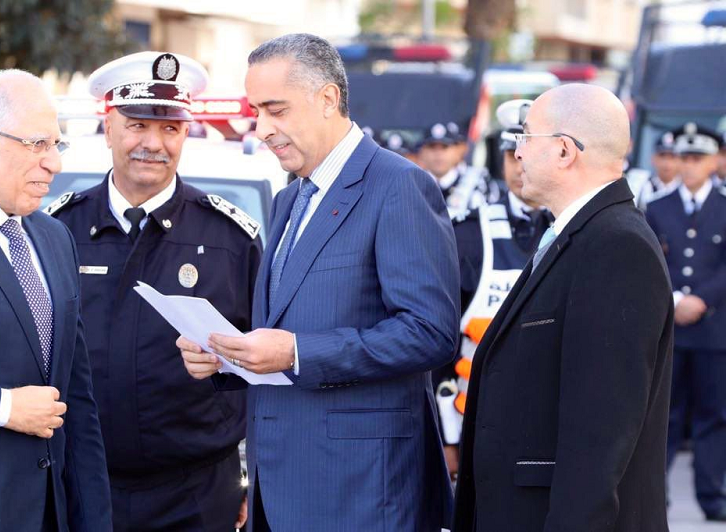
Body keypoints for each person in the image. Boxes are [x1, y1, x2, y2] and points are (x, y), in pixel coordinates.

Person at [178, 33, 460, 531]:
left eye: (276, 110)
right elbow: (287, 328)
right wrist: (226, 357)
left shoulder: (397, 185)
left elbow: (430, 333)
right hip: (281, 485)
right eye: (256, 111)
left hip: (360, 492)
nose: (261, 128)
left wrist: (298, 353)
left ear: (327, 98)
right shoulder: (291, 198)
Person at [48, 52, 261, 531]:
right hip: (83, 485)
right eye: (138, 125)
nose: (153, 144)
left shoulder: (230, 238)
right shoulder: (59, 229)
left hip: (198, 493)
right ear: (109, 125)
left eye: (170, 129)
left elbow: (263, 364)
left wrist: (251, 478)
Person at [453, 83, 674, 532]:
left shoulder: (616, 246)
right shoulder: (578, 234)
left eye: (525, 139)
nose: (516, 154)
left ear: (563, 151)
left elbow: (601, 433)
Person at [0, 70, 111, 531]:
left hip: (51, 513)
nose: (54, 164)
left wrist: (94, 518)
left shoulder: (53, 237)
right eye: (38, 144)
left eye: (57, 145)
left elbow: (77, 397)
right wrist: (3, 407)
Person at [434, 99, 552, 479]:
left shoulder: (580, 229)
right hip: (478, 422)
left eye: (528, 152)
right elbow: (441, 341)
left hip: (554, 422)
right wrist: (447, 437)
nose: (520, 166)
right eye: (511, 154)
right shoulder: (468, 233)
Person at [645, 122, 726, 522]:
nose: (690, 166)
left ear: (716, 161)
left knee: (714, 415)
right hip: (670, 327)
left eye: (699, 158)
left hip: (714, 330)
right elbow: (649, 259)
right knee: (665, 415)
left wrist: (702, 299)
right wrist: (676, 299)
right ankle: (654, 496)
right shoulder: (656, 208)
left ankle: (712, 497)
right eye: (685, 158)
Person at [418, 122, 499, 216]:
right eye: (432, 147)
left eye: (444, 147)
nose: (438, 154)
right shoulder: (414, 183)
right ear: (422, 152)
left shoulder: (479, 182)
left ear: (458, 150)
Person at [629, 130, 681, 210]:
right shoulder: (640, 184)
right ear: (653, 159)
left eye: (672, 157)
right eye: (662, 156)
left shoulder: (685, 189)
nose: (667, 163)